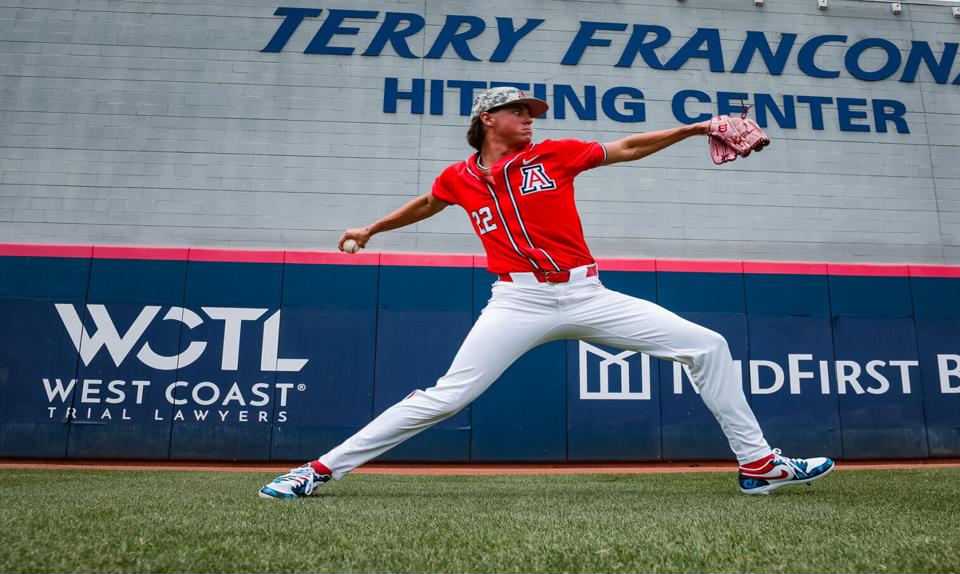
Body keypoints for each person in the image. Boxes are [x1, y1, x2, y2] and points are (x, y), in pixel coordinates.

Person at [259, 87, 833, 500]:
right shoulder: (458, 177)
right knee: (446, 398)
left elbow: (626, 147)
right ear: (488, 120)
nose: (529, 118)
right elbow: (429, 204)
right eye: (518, 111)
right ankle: (317, 470)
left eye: (530, 111)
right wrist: (371, 229)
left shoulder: (553, 154)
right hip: (517, 302)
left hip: (589, 293)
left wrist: (694, 129)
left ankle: (758, 465)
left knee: (706, 346)